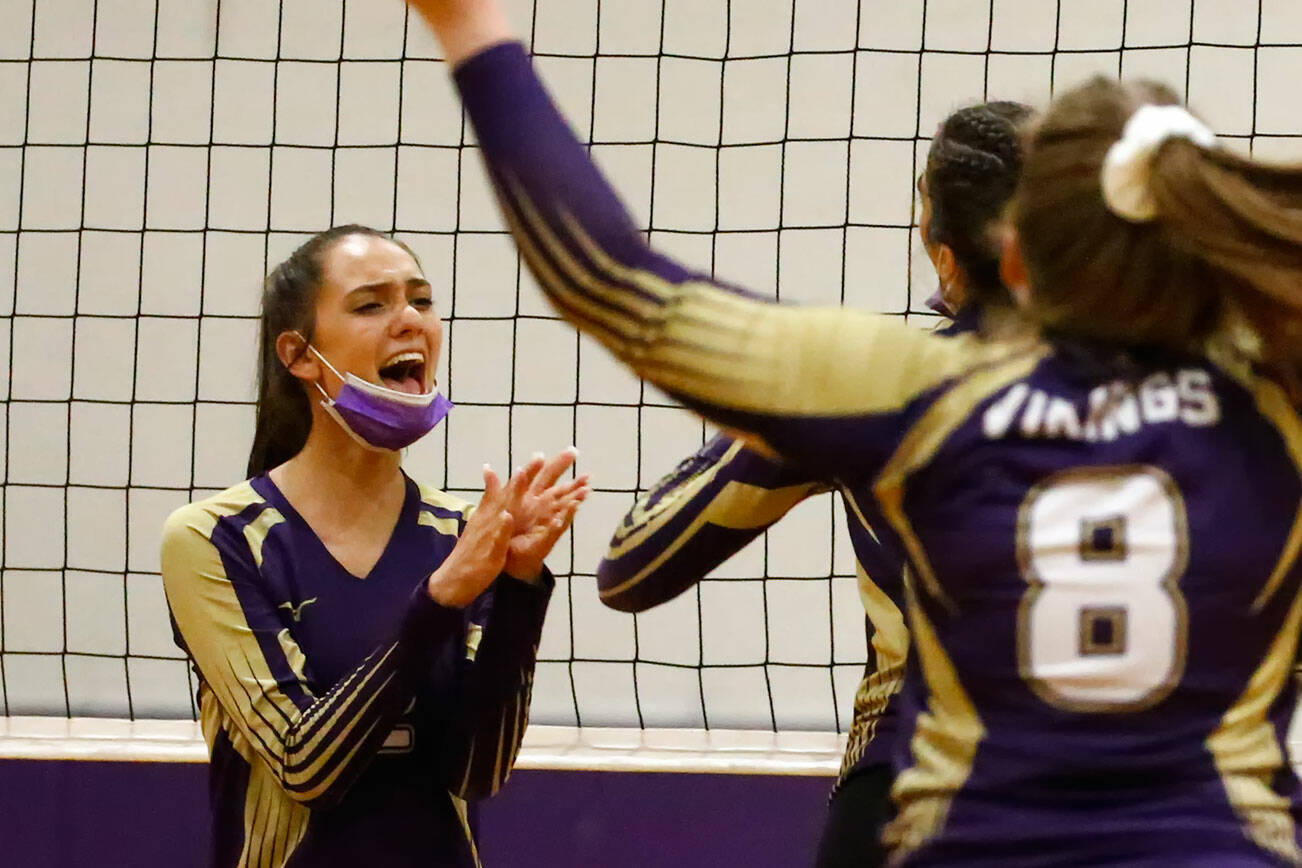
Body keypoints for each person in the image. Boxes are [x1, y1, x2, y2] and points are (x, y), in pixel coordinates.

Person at [409, 2, 1302, 864]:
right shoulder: (1275, 396)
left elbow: (611, 280)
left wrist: (469, 25)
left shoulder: (914, 392)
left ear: (1013, 260)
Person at [596, 101, 1032, 868]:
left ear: (942, 250)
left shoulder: (873, 388)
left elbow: (631, 566)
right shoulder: (1185, 398)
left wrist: (780, 410)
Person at [161, 224, 589, 868]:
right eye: (372, 304)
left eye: (421, 300)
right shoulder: (215, 538)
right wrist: (440, 601)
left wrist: (520, 588)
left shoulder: (460, 533)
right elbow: (305, 766)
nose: (410, 320)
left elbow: (478, 771)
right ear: (300, 355)